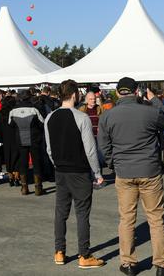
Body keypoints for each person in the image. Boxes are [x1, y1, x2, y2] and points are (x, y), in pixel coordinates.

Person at [98, 77, 164, 276]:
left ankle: (128, 263)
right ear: (136, 92)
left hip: (124, 172)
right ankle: (162, 265)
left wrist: (113, 164)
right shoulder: (150, 112)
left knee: (126, 219)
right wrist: (155, 100)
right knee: (156, 219)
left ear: (118, 93)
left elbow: (104, 146)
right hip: (149, 171)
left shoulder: (107, 116)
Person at [44, 79, 105, 269]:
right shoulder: (81, 117)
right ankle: (84, 255)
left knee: (61, 212)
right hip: (79, 172)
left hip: (61, 171)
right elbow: (90, 150)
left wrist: (58, 164)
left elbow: (49, 149)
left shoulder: (49, 118)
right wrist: (97, 172)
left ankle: (59, 251)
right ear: (74, 95)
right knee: (82, 214)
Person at [8, 92, 46, 196]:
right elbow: (42, 123)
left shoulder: (13, 110)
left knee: (22, 162)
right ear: (29, 98)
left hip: (20, 139)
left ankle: (24, 187)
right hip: (34, 139)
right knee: (36, 162)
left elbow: (10, 125)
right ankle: (38, 188)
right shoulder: (34, 109)